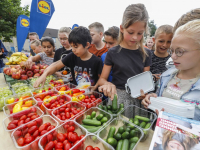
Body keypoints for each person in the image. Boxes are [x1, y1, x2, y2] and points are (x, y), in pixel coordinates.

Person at [141, 20, 200, 121]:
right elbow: (159, 94)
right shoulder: (166, 76)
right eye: (171, 51)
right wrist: (152, 98)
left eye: (180, 51)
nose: (173, 56)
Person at [98, 3, 152, 110]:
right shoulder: (112, 52)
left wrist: (145, 93)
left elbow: (146, 82)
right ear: (122, 28)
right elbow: (102, 79)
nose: (135, 37)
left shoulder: (146, 53)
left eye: (140, 33)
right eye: (131, 32)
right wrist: (108, 84)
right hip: (117, 99)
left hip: (138, 102)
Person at [33, 26, 102, 88]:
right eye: (71, 46)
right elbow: (56, 66)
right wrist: (44, 75)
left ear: (87, 45)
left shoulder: (97, 61)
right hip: (75, 94)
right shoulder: (72, 56)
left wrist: (95, 87)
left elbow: (101, 79)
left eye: (75, 47)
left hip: (91, 98)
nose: (73, 49)